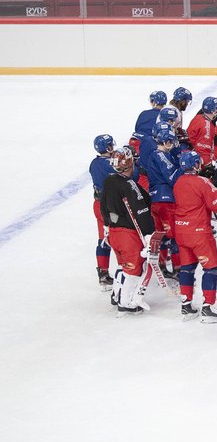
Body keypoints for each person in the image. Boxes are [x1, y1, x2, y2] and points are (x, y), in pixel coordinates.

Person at [100, 146, 157, 316]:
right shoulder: (129, 185)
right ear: (130, 163)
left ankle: (117, 295)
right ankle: (126, 303)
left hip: (114, 232)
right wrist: (149, 235)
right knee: (133, 268)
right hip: (128, 235)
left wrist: (106, 226)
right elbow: (141, 211)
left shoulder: (109, 181)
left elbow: (103, 207)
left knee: (123, 265)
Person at [171, 151, 217, 323]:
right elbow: (215, 205)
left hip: (181, 231)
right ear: (196, 164)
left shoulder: (178, 181)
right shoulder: (202, 182)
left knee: (187, 268)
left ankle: (186, 305)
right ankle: (208, 308)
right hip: (199, 233)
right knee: (210, 267)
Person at [143, 124, 182, 279]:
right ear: (166, 142)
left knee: (161, 234)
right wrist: (183, 165)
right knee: (173, 236)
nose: (173, 145)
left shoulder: (155, 155)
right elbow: (172, 177)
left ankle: (161, 263)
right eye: (171, 142)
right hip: (166, 200)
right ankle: (178, 268)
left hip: (155, 199)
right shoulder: (161, 156)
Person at [89, 134, 118, 290]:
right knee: (119, 236)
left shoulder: (94, 163)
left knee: (103, 237)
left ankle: (103, 272)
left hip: (98, 204)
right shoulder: (111, 164)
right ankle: (126, 269)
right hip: (110, 205)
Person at [187, 96, 217, 165]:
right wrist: (208, 166)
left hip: (189, 152)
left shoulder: (198, 117)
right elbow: (203, 150)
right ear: (214, 110)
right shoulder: (208, 126)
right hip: (195, 158)